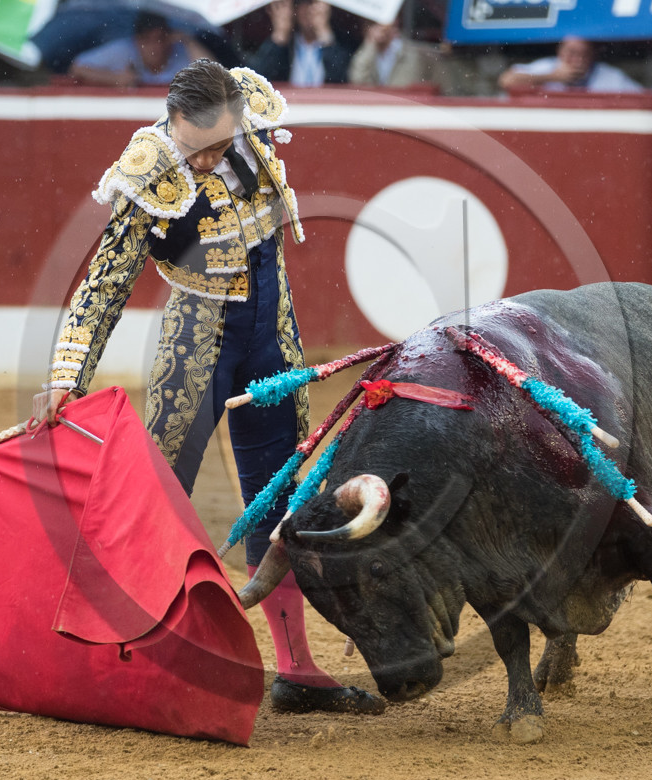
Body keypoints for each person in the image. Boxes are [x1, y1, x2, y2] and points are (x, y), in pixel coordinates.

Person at [33, 60, 385, 715]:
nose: (210, 158)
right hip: (198, 335)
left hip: (270, 330)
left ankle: (297, 671)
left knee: (280, 493)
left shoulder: (250, 123)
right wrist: (64, 377)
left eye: (223, 143)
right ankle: (126, 657)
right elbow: (103, 286)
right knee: (161, 497)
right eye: (199, 147)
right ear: (173, 124)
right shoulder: (150, 171)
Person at [69, 12, 213, 87]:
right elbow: (77, 68)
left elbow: (214, 75)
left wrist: (188, 41)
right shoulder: (123, 50)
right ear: (136, 40)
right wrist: (115, 79)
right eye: (147, 39)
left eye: (160, 38)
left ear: (169, 38)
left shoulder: (181, 50)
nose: (155, 46)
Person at [246, 0, 353, 86]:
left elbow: (342, 79)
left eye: (312, 3)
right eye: (301, 4)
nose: (308, 10)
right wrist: (280, 35)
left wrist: (324, 33)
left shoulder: (343, 40)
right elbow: (259, 80)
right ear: (294, 10)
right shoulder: (286, 45)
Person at [498, 36, 642, 93]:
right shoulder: (548, 67)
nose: (577, 60)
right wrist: (553, 77)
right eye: (572, 53)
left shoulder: (610, 76)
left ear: (593, 55)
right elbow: (506, 81)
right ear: (560, 51)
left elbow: (642, 96)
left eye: (584, 54)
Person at [347, 19, 444, 88]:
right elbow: (357, 81)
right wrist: (370, 45)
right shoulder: (367, 53)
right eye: (373, 24)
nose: (380, 30)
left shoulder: (415, 55)